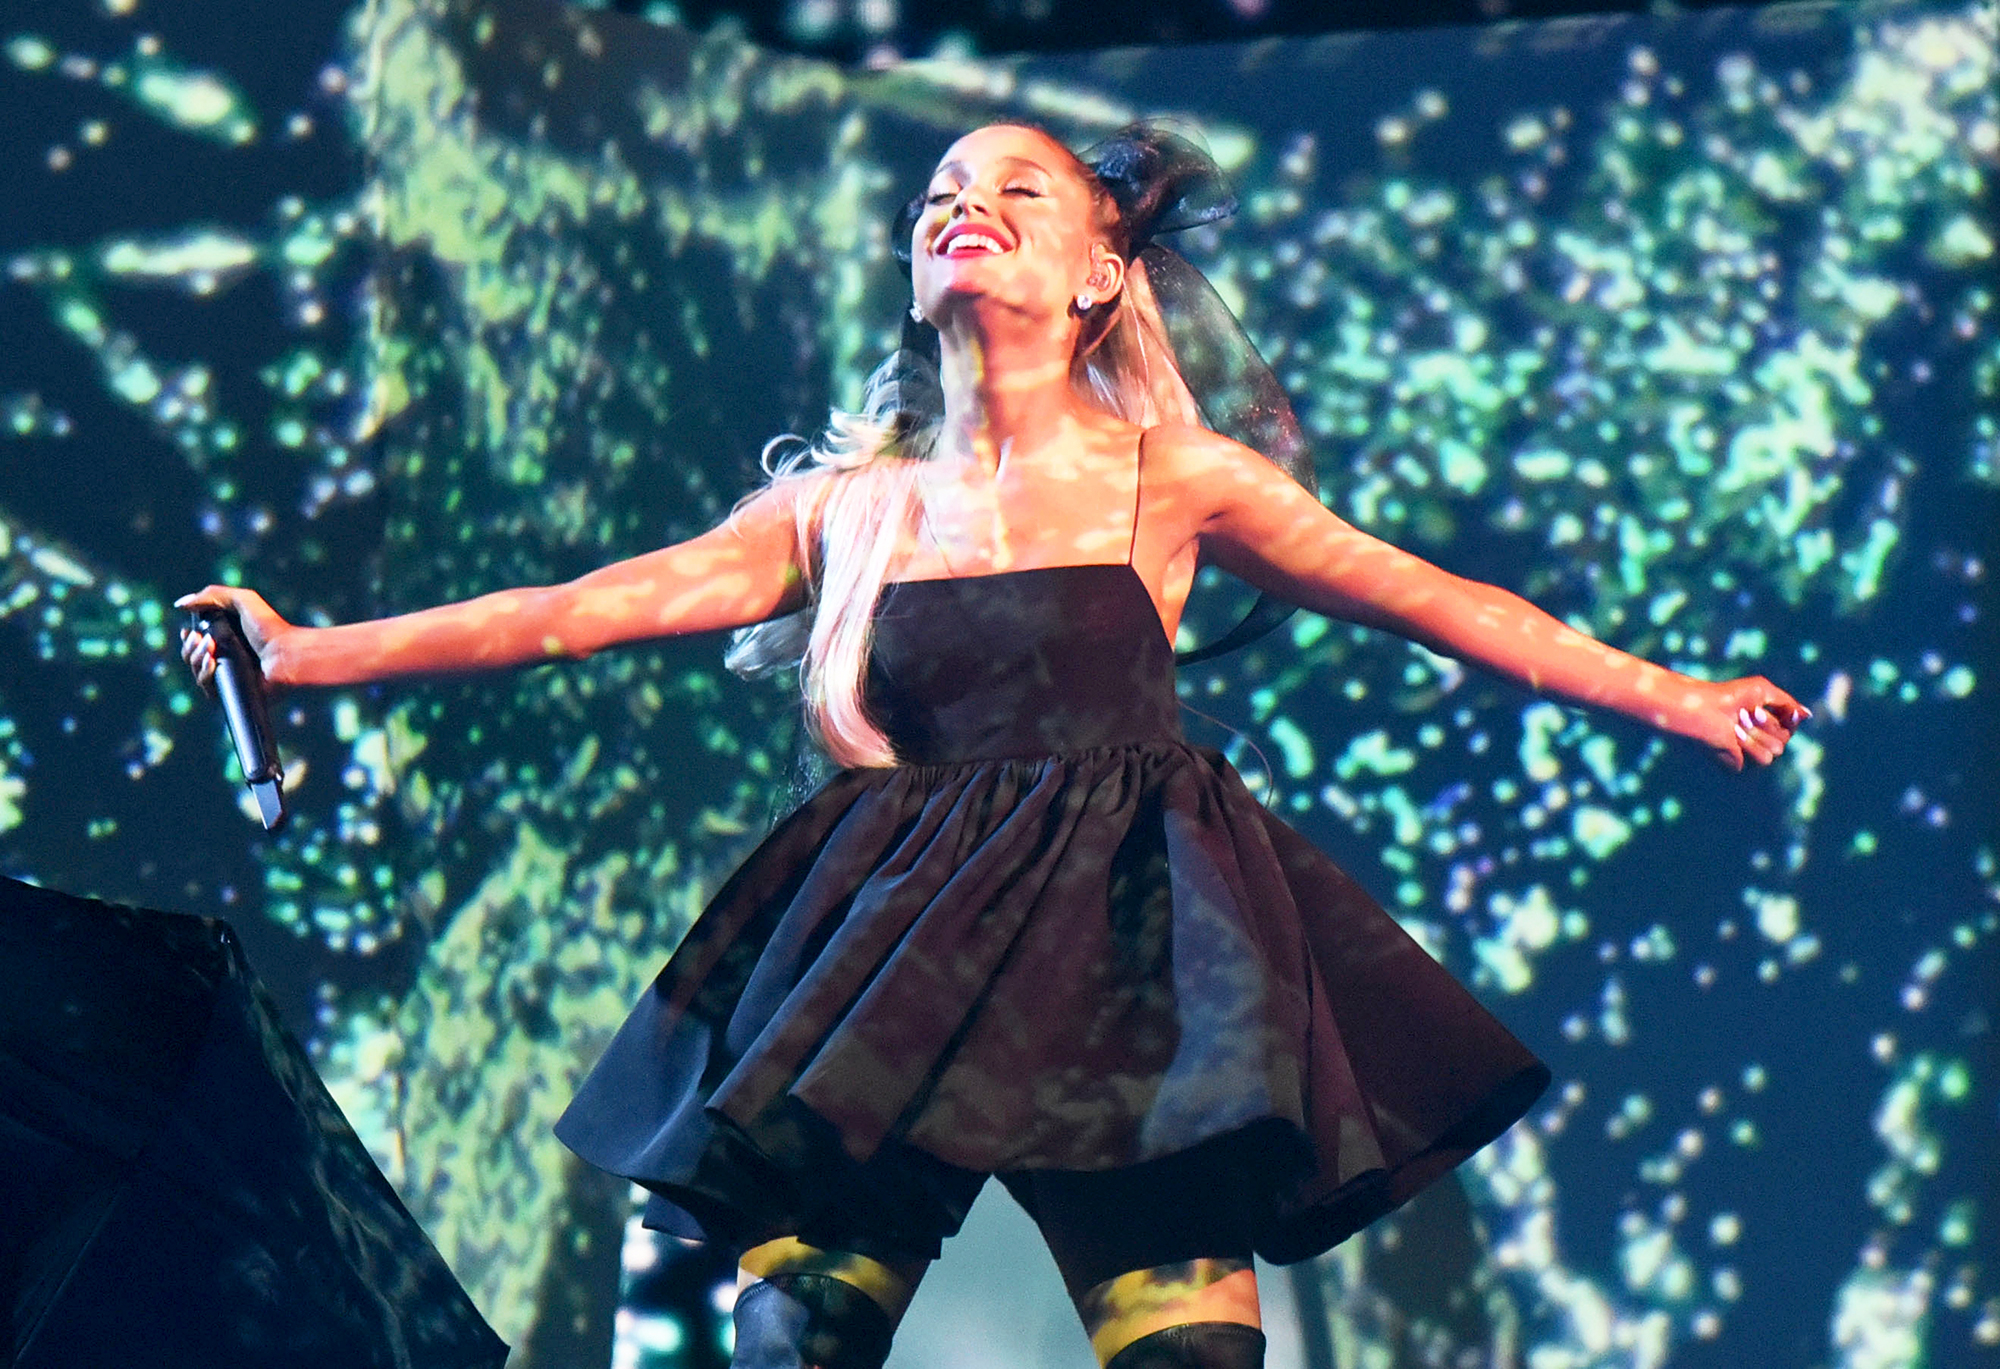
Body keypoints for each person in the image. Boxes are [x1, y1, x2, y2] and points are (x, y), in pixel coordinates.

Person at [178, 123, 1807, 1369]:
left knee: (1185, 1346)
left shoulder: (1176, 478)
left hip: (1127, 943)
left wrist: (1670, 694)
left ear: (1099, 272)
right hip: (891, 946)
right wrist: (305, 652)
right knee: (793, 1335)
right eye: (941, 194)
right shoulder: (846, 511)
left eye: (1020, 191)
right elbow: (575, 609)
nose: (967, 204)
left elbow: (1439, 602)